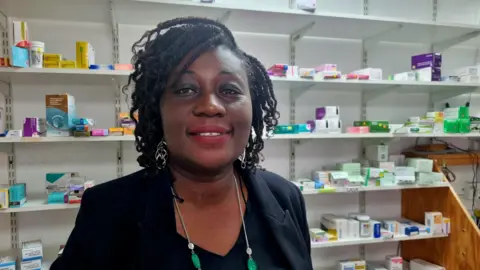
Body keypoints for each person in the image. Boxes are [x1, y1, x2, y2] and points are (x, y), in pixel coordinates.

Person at [51, 17, 312, 270]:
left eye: (229, 90)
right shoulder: (106, 211)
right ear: (158, 110)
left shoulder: (285, 198)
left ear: (252, 107)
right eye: (186, 89)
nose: (210, 106)